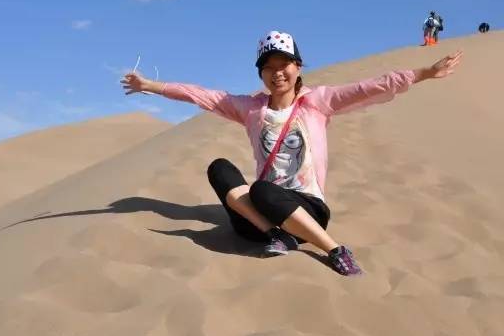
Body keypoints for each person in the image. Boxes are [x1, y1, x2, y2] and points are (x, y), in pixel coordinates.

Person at [121, 30, 463, 276]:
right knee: (220, 168)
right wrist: (150, 86)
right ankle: (276, 235)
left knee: (262, 189)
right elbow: (199, 95)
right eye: (268, 67)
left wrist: (424, 74)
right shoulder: (250, 109)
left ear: (298, 66)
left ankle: (334, 249)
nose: (277, 73)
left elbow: (371, 87)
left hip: (308, 213)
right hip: (260, 223)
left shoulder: (318, 102)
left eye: (283, 64)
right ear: (261, 73)